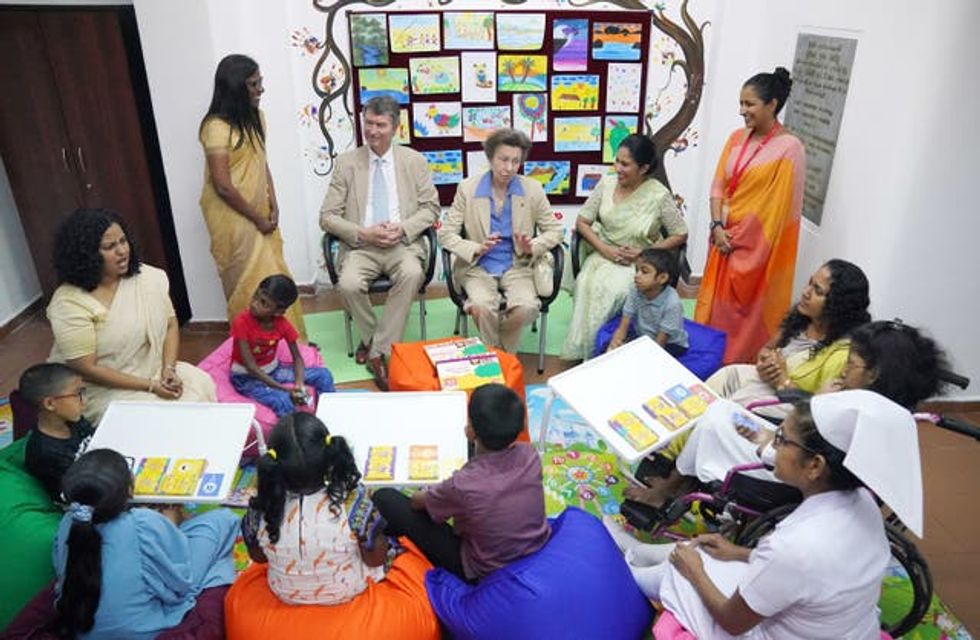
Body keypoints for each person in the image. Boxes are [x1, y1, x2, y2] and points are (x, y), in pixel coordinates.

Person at [607, 392, 922, 639]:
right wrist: (737, 552)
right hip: (832, 625)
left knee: (682, 572)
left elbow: (732, 621)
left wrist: (695, 573)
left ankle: (624, 575)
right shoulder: (863, 503)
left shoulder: (796, 545)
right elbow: (808, 576)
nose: (774, 446)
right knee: (704, 551)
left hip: (760, 630)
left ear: (815, 466)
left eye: (781, 440)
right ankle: (637, 551)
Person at [624, 259, 870, 507]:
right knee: (721, 379)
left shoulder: (841, 354)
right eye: (810, 283)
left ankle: (677, 480)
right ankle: (672, 450)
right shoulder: (803, 317)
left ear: (838, 305)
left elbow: (818, 413)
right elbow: (768, 348)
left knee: (720, 409)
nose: (806, 292)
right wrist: (765, 360)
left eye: (817, 290)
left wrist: (783, 380)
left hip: (792, 403)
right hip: (769, 381)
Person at [669, 319, 949, 496]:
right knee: (724, 410)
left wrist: (817, 405)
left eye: (850, 365)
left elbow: (803, 457)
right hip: (786, 445)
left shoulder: (848, 414)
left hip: (787, 468)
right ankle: (680, 478)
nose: (843, 371)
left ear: (874, 374)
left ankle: (672, 485)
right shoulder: (882, 408)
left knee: (715, 417)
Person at [47, 209, 216, 424]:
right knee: (162, 419)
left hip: (152, 370)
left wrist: (168, 369)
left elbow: (171, 325)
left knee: (200, 384)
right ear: (86, 255)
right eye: (110, 247)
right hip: (103, 388)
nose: (122, 251)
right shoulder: (69, 302)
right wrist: (150, 386)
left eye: (123, 241)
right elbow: (86, 369)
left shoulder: (148, 278)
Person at [52, 449, 239, 639]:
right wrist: (169, 526)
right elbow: (180, 584)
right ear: (129, 491)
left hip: (82, 629)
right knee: (222, 520)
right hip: (142, 632)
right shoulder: (143, 523)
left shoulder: (70, 521)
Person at [319, 95, 440, 390]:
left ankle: (376, 351)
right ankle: (379, 344)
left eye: (380, 125)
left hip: (402, 244)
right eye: (368, 123)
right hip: (362, 245)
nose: (372, 131)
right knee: (348, 284)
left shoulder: (414, 161)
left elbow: (431, 208)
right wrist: (364, 233)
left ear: (395, 128)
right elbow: (327, 217)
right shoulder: (347, 163)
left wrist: (403, 229)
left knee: (412, 273)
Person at [372, 383, 550, 581]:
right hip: (534, 553)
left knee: (385, 498)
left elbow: (417, 502)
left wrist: (433, 491)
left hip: (485, 571)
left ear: (471, 431)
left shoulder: (463, 485)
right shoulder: (530, 454)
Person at [694, 67, 806, 365]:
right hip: (722, 240)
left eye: (749, 104)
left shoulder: (790, 149)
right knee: (716, 311)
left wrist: (739, 238)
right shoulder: (736, 138)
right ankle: (710, 360)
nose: (742, 111)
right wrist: (718, 226)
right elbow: (718, 185)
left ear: (772, 105)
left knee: (745, 318)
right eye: (741, 103)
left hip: (756, 250)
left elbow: (777, 210)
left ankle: (736, 365)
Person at [199, 54, 306, 339]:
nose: (261, 89)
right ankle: (252, 346)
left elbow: (261, 162)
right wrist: (257, 218)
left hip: (261, 212)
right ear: (235, 87)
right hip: (231, 218)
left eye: (260, 82)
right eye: (253, 84)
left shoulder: (258, 118)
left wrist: (274, 203)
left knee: (276, 275)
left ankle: (288, 341)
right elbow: (222, 186)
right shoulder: (216, 127)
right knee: (249, 284)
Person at [561, 134, 688, 361]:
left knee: (616, 292)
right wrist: (604, 249)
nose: (617, 168)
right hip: (602, 254)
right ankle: (587, 349)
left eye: (625, 164)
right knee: (586, 283)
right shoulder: (606, 184)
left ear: (644, 168)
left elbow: (680, 233)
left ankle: (604, 352)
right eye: (617, 161)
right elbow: (582, 222)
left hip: (638, 263)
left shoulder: (658, 194)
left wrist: (644, 254)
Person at [241, 413, 388, 605]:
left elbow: (259, 558)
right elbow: (376, 560)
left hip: (285, 594)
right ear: (328, 458)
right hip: (346, 592)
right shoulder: (351, 501)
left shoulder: (260, 507)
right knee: (388, 544)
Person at [439, 128, 564, 353]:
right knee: (481, 306)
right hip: (477, 267)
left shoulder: (532, 189)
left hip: (518, 266)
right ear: (490, 158)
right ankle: (503, 357)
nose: (509, 168)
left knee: (527, 307)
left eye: (516, 161)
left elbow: (555, 231)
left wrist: (532, 246)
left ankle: (495, 353)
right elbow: (446, 234)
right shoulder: (467, 189)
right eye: (503, 159)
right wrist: (476, 248)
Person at [231, 274, 335, 417]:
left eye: (264, 303)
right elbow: (251, 367)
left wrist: (299, 384)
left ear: (278, 312)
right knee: (283, 401)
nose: (254, 304)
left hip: (274, 370)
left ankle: (330, 416)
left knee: (323, 375)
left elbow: (297, 358)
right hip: (247, 378)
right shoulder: (241, 322)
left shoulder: (282, 325)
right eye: (255, 296)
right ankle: (296, 429)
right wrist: (284, 389)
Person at [20, 363, 94, 501]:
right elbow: (79, 494)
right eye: (78, 394)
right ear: (50, 404)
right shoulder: (45, 452)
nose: (85, 400)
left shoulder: (73, 420)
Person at [597, 247, 689, 357]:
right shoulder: (635, 289)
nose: (637, 275)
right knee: (607, 349)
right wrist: (614, 345)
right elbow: (623, 326)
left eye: (644, 272)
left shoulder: (672, 304)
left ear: (662, 278)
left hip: (668, 343)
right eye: (637, 270)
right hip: (643, 335)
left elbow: (659, 345)